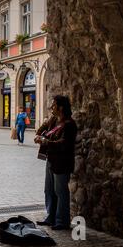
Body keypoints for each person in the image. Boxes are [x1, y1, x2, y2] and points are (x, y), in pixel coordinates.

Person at [35, 95, 77, 230]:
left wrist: (47, 142)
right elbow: (40, 130)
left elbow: (64, 144)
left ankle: (61, 221)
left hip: (62, 162)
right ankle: (50, 217)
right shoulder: (54, 120)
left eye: (53, 105)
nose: (51, 107)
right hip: (51, 159)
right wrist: (43, 129)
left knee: (60, 191)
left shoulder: (69, 124)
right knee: (49, 190)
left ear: (61, 107)